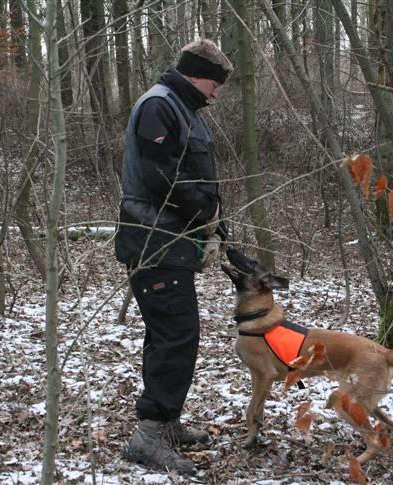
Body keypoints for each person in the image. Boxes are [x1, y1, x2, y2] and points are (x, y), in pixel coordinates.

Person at [114, 39, 233, 474]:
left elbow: (195, 176)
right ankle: (148, 437)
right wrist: (204, 213)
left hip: (173, 241)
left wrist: (215, 223)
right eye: (215, 83)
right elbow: (160, 174)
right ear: (196, 73)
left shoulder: (186, 112)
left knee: (172, 333)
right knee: (175, 336)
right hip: (153, 240)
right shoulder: (158, 106)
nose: (216, 92)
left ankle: (167, 422)